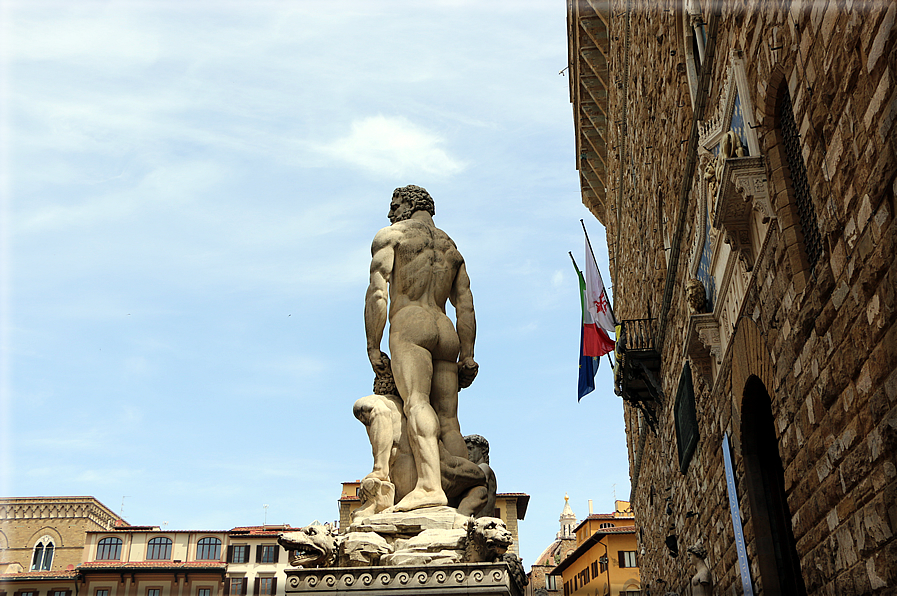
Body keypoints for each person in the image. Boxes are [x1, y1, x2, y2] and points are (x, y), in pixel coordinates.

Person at [365, 185, 479, 512]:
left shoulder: (392, 235)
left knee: (415, 402)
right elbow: (465, 306)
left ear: (411, 204)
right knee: (450, 421)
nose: (390, 212)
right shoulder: (451, 248)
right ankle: (461, 496)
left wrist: (373, 346)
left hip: (411, 321)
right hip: (445, 328)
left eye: (395, 204)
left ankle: (429, 487)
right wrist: (468, 354)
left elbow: (377, 293)